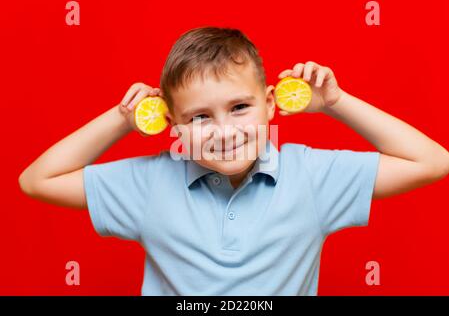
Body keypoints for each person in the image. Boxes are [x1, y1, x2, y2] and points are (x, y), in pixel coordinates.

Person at [18, 26, 449, 295]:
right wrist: (120, 120)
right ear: (172, 123)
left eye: (240, 107)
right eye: (200, 117)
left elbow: (432, 161)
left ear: (269, 104)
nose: (224, 131)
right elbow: (37, 179)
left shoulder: (312, 177)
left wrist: (337, 102)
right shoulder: (148, 184)